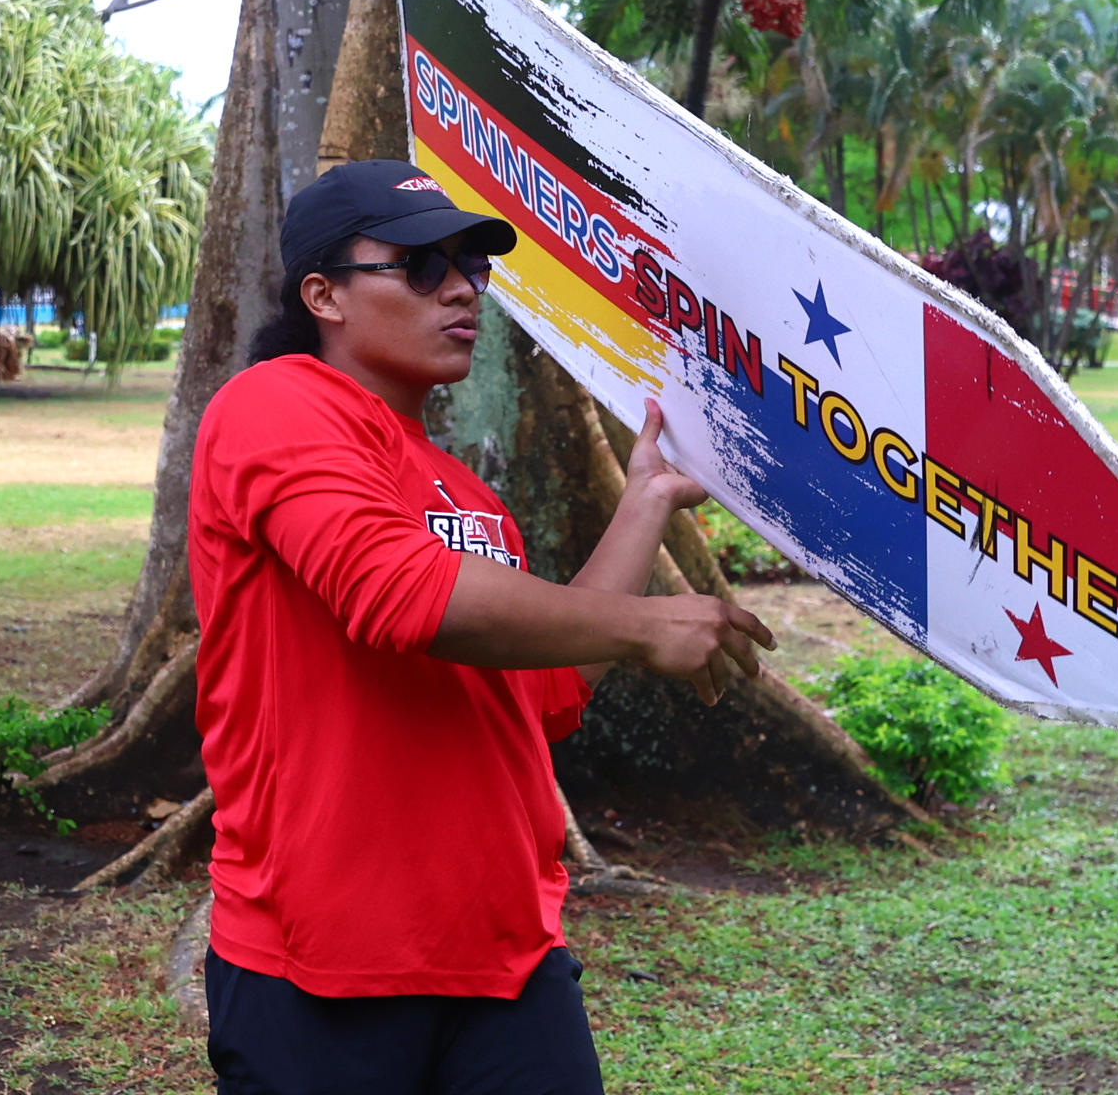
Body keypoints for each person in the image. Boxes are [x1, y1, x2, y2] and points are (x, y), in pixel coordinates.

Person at [188, 159, 774, 1095]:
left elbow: (544, 691)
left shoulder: (465, 494)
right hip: (323, 969)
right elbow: (392, 593)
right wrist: (639, 626)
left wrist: (648, 501)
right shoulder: (271, 407)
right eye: (421, 266)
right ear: (323, 295)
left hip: (508, 961)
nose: (462, 287)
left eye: (473, 266)